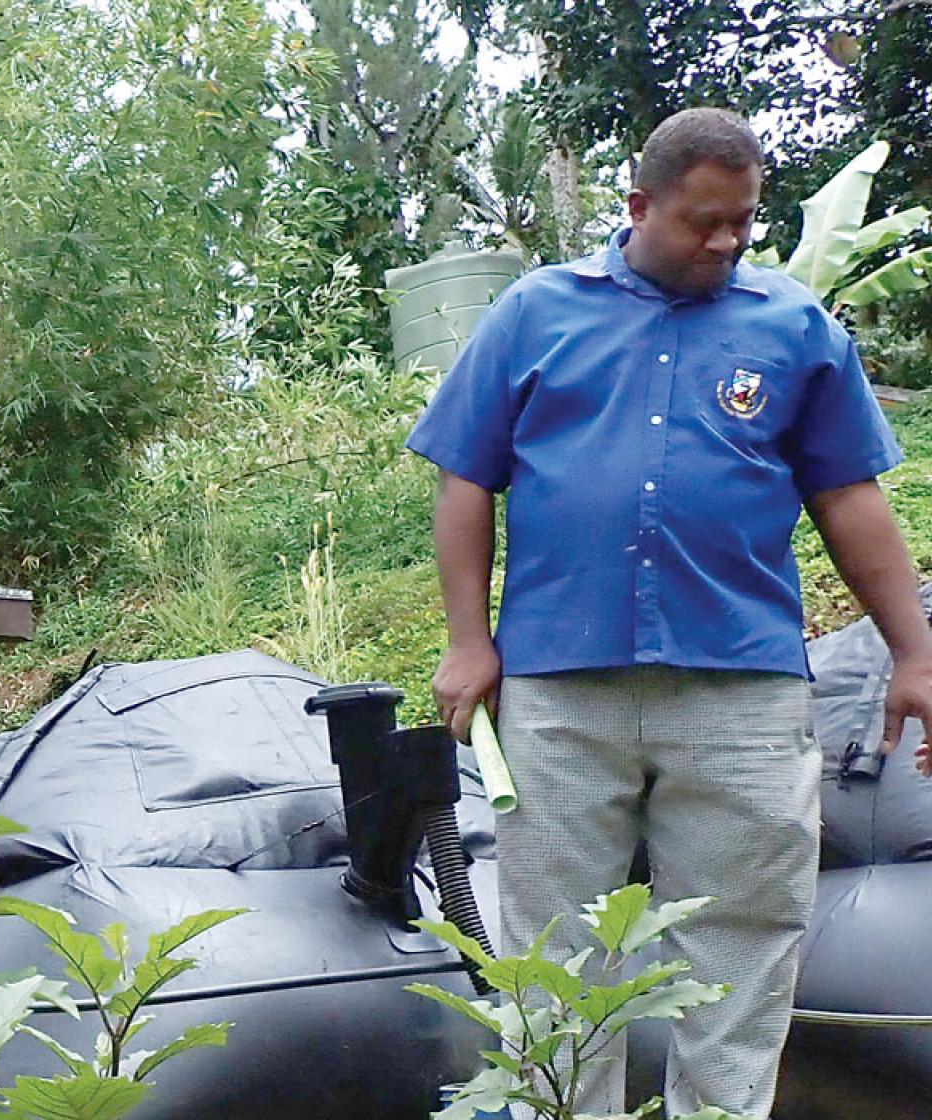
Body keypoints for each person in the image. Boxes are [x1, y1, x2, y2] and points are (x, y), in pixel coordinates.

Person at [411, 107, 932, 1116]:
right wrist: (468, 641)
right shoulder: (533, 313)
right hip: (560, 692)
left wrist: (912, 651)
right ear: (638, 205)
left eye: (741, 221)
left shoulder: (792, 327)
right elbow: (464, 480)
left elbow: (848, 499)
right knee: (557, 950)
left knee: (742, 938)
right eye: (703, 222)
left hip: (739, 691)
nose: (726, 242)